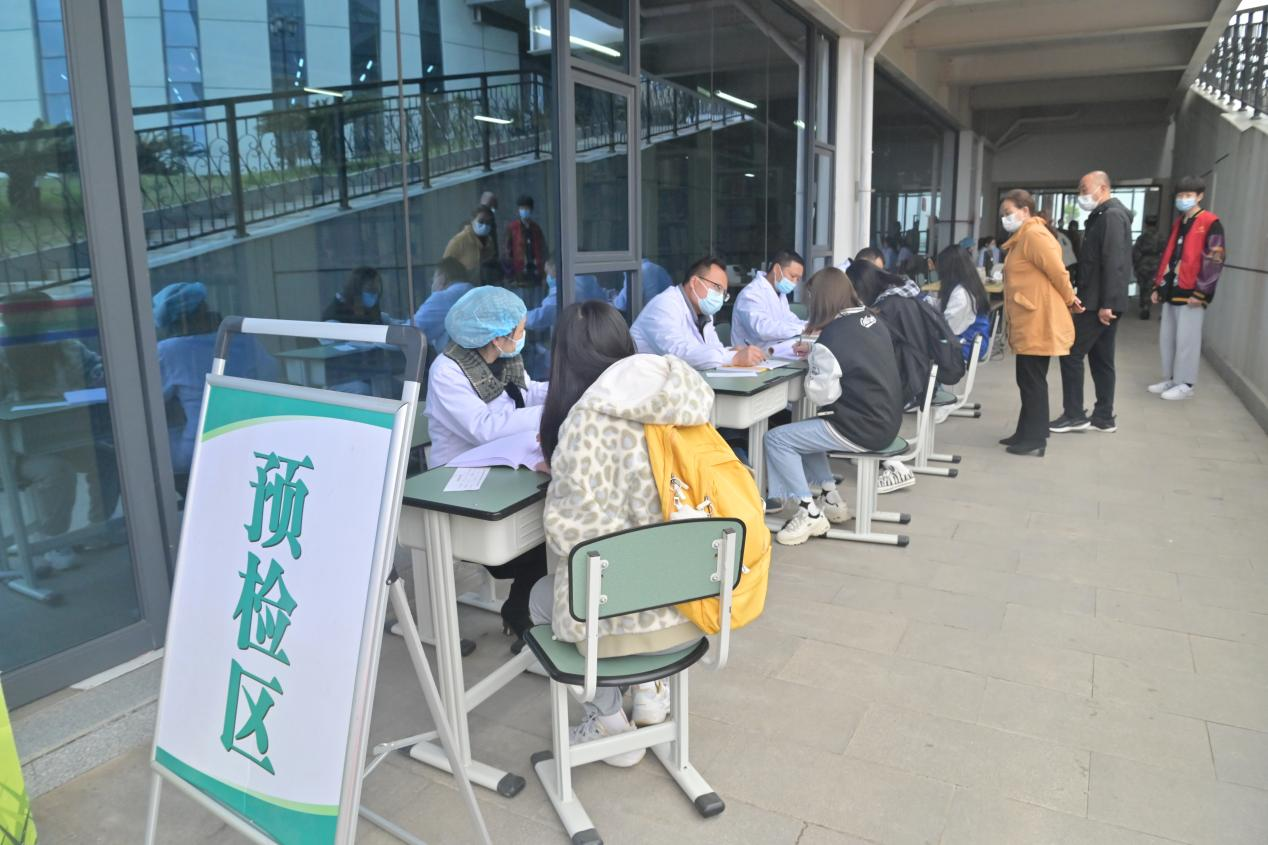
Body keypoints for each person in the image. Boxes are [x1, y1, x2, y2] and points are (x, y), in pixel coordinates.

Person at [529, 300, 710, 763]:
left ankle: (610, 726)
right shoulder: (686, 403)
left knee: (544, 597)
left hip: (632, 621)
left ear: (565, 357)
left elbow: (570, 539)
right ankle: (651, 690)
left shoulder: (584, 424)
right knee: (646, 561)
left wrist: (563, 474)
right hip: (695, 603)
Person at [424, 286, 548, 642]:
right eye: (520, 330)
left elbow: (528, 391)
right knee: (535, 543)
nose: (523, 336)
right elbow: (485, 427)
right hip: (461, 477)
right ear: (497, 336)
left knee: (552, 525)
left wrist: (567, 391)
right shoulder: (447, 371)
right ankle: (520, 604)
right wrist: (551, 411)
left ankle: (520, 605)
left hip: (503, 464)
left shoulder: (503, 359)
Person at [764, 268, 904, 546]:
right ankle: (831, 498)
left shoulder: (831, 338)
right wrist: (818, 353)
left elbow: (822, 396)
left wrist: (816, 360)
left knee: (777, 439)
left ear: (821, 299)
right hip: (887, 418)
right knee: (805, 434)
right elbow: (856, 354)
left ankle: (809, 512)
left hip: (862, 427)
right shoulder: (870, 319)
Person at [0, 291, 121, 570]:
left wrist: (100, 377)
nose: (50, 321)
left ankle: (97, 529)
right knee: (56, 471)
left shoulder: (66, 347)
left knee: (109, 458)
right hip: (13, 451)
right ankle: (52, 541)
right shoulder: (3, 356)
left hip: (64, 438)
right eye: (44, 315)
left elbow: (100, 372)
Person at [845, 260, 962, 492]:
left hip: (906, 380)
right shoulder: (905, 295)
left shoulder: (888, 306)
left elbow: (872, 344)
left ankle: (894, 465)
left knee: (851, 391)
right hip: (919, 374)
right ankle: (867, 448)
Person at [153, 282, 278, 488]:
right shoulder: (242, 340)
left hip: (198, 452)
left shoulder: (168, 351)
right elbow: (271, 374)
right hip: (250, 441)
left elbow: (150, 399)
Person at [997, 189, 1082, 456]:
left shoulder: (1034, 235)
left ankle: (1035, 439)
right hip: (1029, 317)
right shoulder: (1023, 236)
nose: (1005, 218)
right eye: (1003, 214)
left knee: (1032, 380)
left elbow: (1058, 271)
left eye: (1008, 213)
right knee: (1028, 378)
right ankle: (1027, 431)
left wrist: (1070, 299)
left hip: (1037, 319)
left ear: (1025, 210)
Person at [1051, 171, 1132, 434]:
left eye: (1084, 189)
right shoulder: (1104, 215)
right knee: (1101, 358)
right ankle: (1104, 417)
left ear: (1103, 188)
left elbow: (1114, 261)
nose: (1081, 195)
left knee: (1071, 353)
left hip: (1099, 302)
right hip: (1101, 299)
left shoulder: (1111, 216)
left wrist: (1107, 303)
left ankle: (1074, 414)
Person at [1149, 176, 1226, 401]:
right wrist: (1158, 286)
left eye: (1189, 195)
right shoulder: (1179, 223)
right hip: (1172, 289)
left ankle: (1186, 384)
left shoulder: (1211, 223)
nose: (1183, 199)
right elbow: (1169, 256)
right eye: (1180, 195)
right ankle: (1172, 378)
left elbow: (1215, 259)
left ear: (1200, 196)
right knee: (1169, 339)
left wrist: (1202, 292)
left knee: (1187, 340)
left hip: (1192, 292)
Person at [630, 255, 766, 369]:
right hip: (645, 385)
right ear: (694, 282)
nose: (720, 297)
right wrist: (733, 357)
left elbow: (708, 349)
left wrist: (730, 351)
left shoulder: (704, 314)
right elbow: (679, 353)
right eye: (717, 288)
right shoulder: (664, 305)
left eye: (724, 293)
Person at [730, 250, 807, 350]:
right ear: (776, 269)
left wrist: (810, 326)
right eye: (792, 276)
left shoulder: (779, 293)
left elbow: (788, 319)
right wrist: (802, 328)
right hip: (752, 355)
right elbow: (762, 329)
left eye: (797, 279)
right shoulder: (751, 293)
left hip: (773, 352)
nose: (794, 282)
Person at [934, 245, 991, 363]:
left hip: (968, 346)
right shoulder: (968, 286)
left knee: (919, 348)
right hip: (971, 341)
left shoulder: (961, 295)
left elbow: (947, 329)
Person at [412, 257, 474, 356]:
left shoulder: (444, 298)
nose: (432, 285)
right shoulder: (472, 292)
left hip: (456, 362)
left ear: (442, 277)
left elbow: (412, 332)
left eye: (433, 279)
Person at [442, 205, 498, 281]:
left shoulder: (489, 241)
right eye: (481, 221)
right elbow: (445, 267)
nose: (485, 225)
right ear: (472, 221)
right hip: (463, 285)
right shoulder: (459, 240)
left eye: (488, 222)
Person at [503, 194, 548, 286]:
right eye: (522, 208)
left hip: (536, 271)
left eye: (526, 208)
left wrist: (543, 272)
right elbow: (507, 251)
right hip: (518, 273)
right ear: (518, 210)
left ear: (531, 210)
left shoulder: (536, 228)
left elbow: (543, 249)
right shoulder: (513, 228)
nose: (524, 211)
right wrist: (510, 274)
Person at [1133, 216, 1165, 320]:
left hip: (1143, 263)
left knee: (1143, 287)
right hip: (1156, 264)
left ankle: (1144, 306)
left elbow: (1136, 252)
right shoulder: (1161, 237)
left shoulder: (1142, 237)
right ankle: (1149, 307)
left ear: (1146, 224)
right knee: (1152, 287)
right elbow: (1165, 251)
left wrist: (1136, 265)